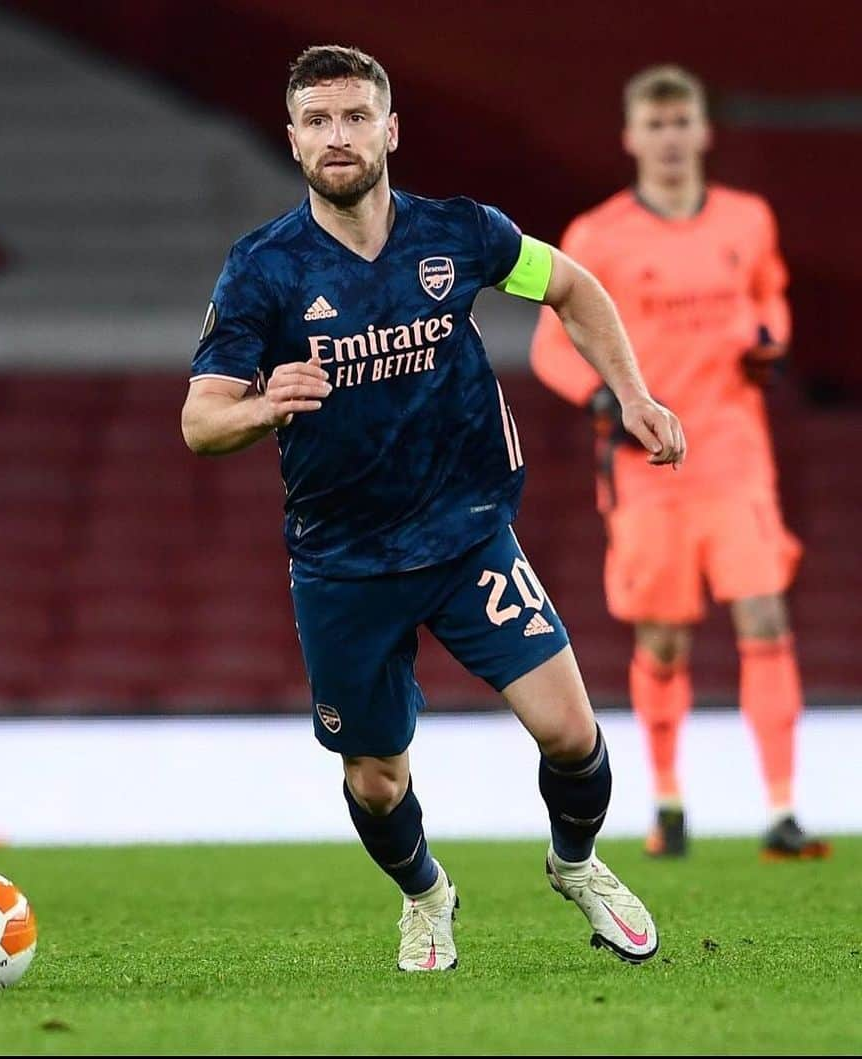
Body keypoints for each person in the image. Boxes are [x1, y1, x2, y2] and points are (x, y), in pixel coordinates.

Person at [182, 45, 685, 971]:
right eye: (319, 122)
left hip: (467, 535)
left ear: (390, 130)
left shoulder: (460, 234)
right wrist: (265, 403)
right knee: (376, 781)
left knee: (572, 733)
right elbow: (200, 422)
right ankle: (426, 895)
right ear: (293, 142)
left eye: (355, 117)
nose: (339, 137)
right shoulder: (261, 270)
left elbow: (572, 287)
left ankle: (576, 864)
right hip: (343, 561)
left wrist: (633, 393)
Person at [530, 64, 829, 861]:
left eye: (680, 122)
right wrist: (605, 403)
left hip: (734, 451)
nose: (669, 138)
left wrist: (770, 340)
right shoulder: (598, 236)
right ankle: (667, 803)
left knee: (765, 616)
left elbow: (770, 298)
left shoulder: (747, 220)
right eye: (654, 125)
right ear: (632, 137)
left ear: (703, 131)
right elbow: (552, 346)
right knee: (663, 638)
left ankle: (783, 808)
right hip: (645, 465)